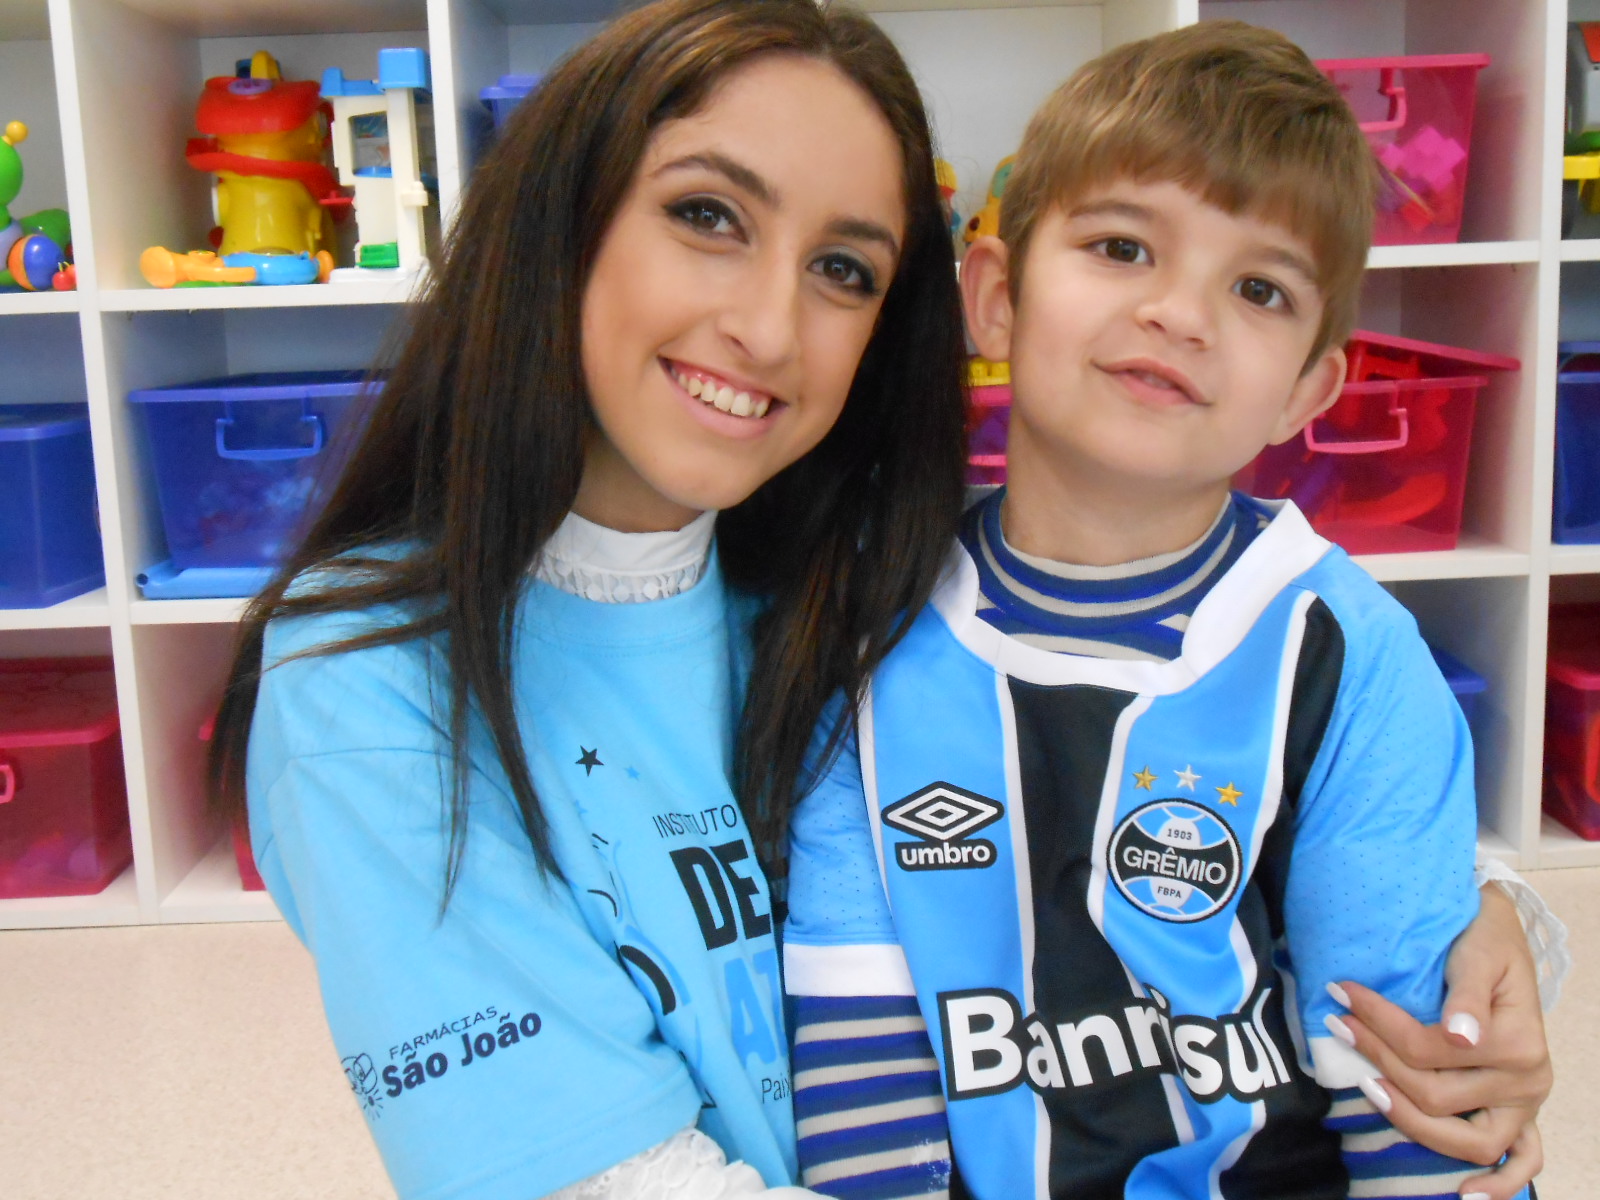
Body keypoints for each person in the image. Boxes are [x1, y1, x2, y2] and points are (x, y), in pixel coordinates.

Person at [205, 3, 1549, 1198]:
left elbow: (1223, 778)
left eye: (843, 270)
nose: (771, 328)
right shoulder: (368, 681)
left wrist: (1475, 919)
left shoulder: (847, 585)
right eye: (708, 214)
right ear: (564, 216)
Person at [783, 21, 1551, 1200]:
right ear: (994, 297)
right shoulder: (862, 631)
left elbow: (1405, 1077)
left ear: (1308, 388)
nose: (1181, 314)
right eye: (1121, 245)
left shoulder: (1342, 651)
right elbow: (857, 1068)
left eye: (1256, 287)